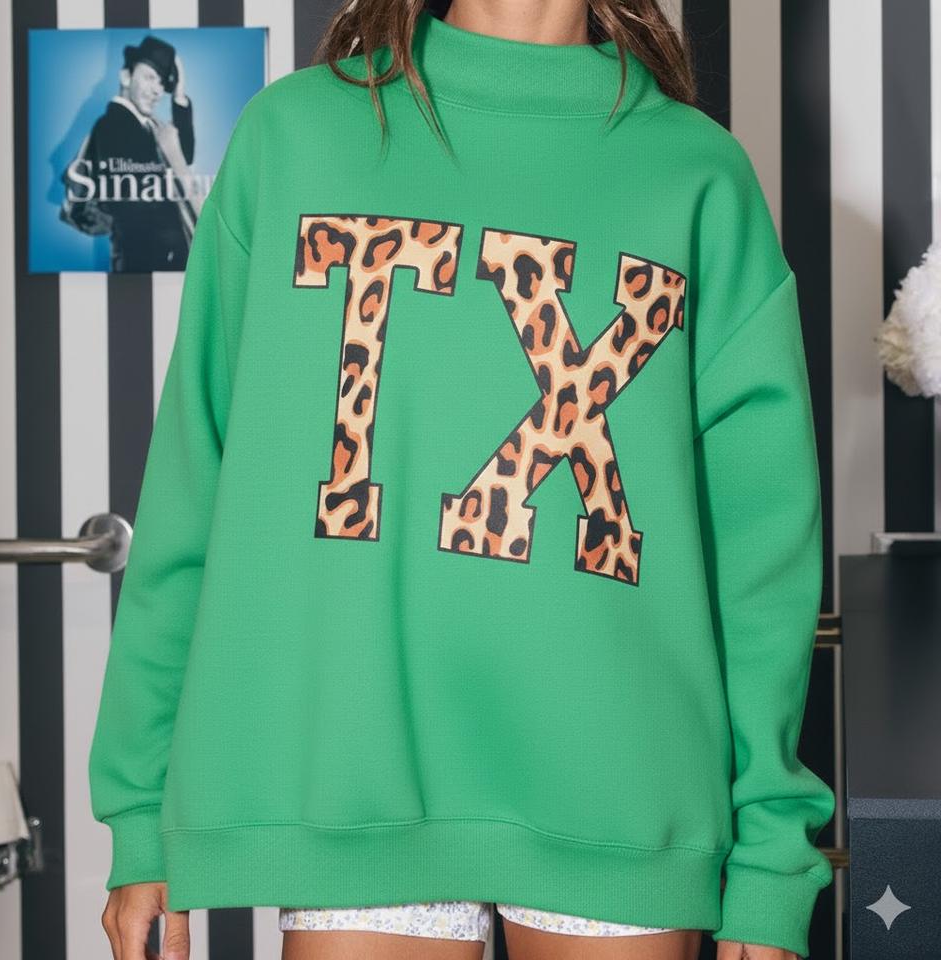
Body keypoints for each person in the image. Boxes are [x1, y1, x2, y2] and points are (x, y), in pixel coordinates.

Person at [89, 2, 835, 959]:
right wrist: (143, 808)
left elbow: (761, 559)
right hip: (352, 781)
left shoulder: (697, 175)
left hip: (619, 789)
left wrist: (771, 857)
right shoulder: (295, 137)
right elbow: (195, 482)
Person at [60, 34, 199, 272]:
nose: (157, 91)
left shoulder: (147, 125)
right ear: (126, 77)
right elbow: (137, 206)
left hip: (159, 263)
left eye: (162, 84)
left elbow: (183, 156)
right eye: (150, 78)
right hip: (144, 265)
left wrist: (179, 96)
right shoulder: (115, 124)